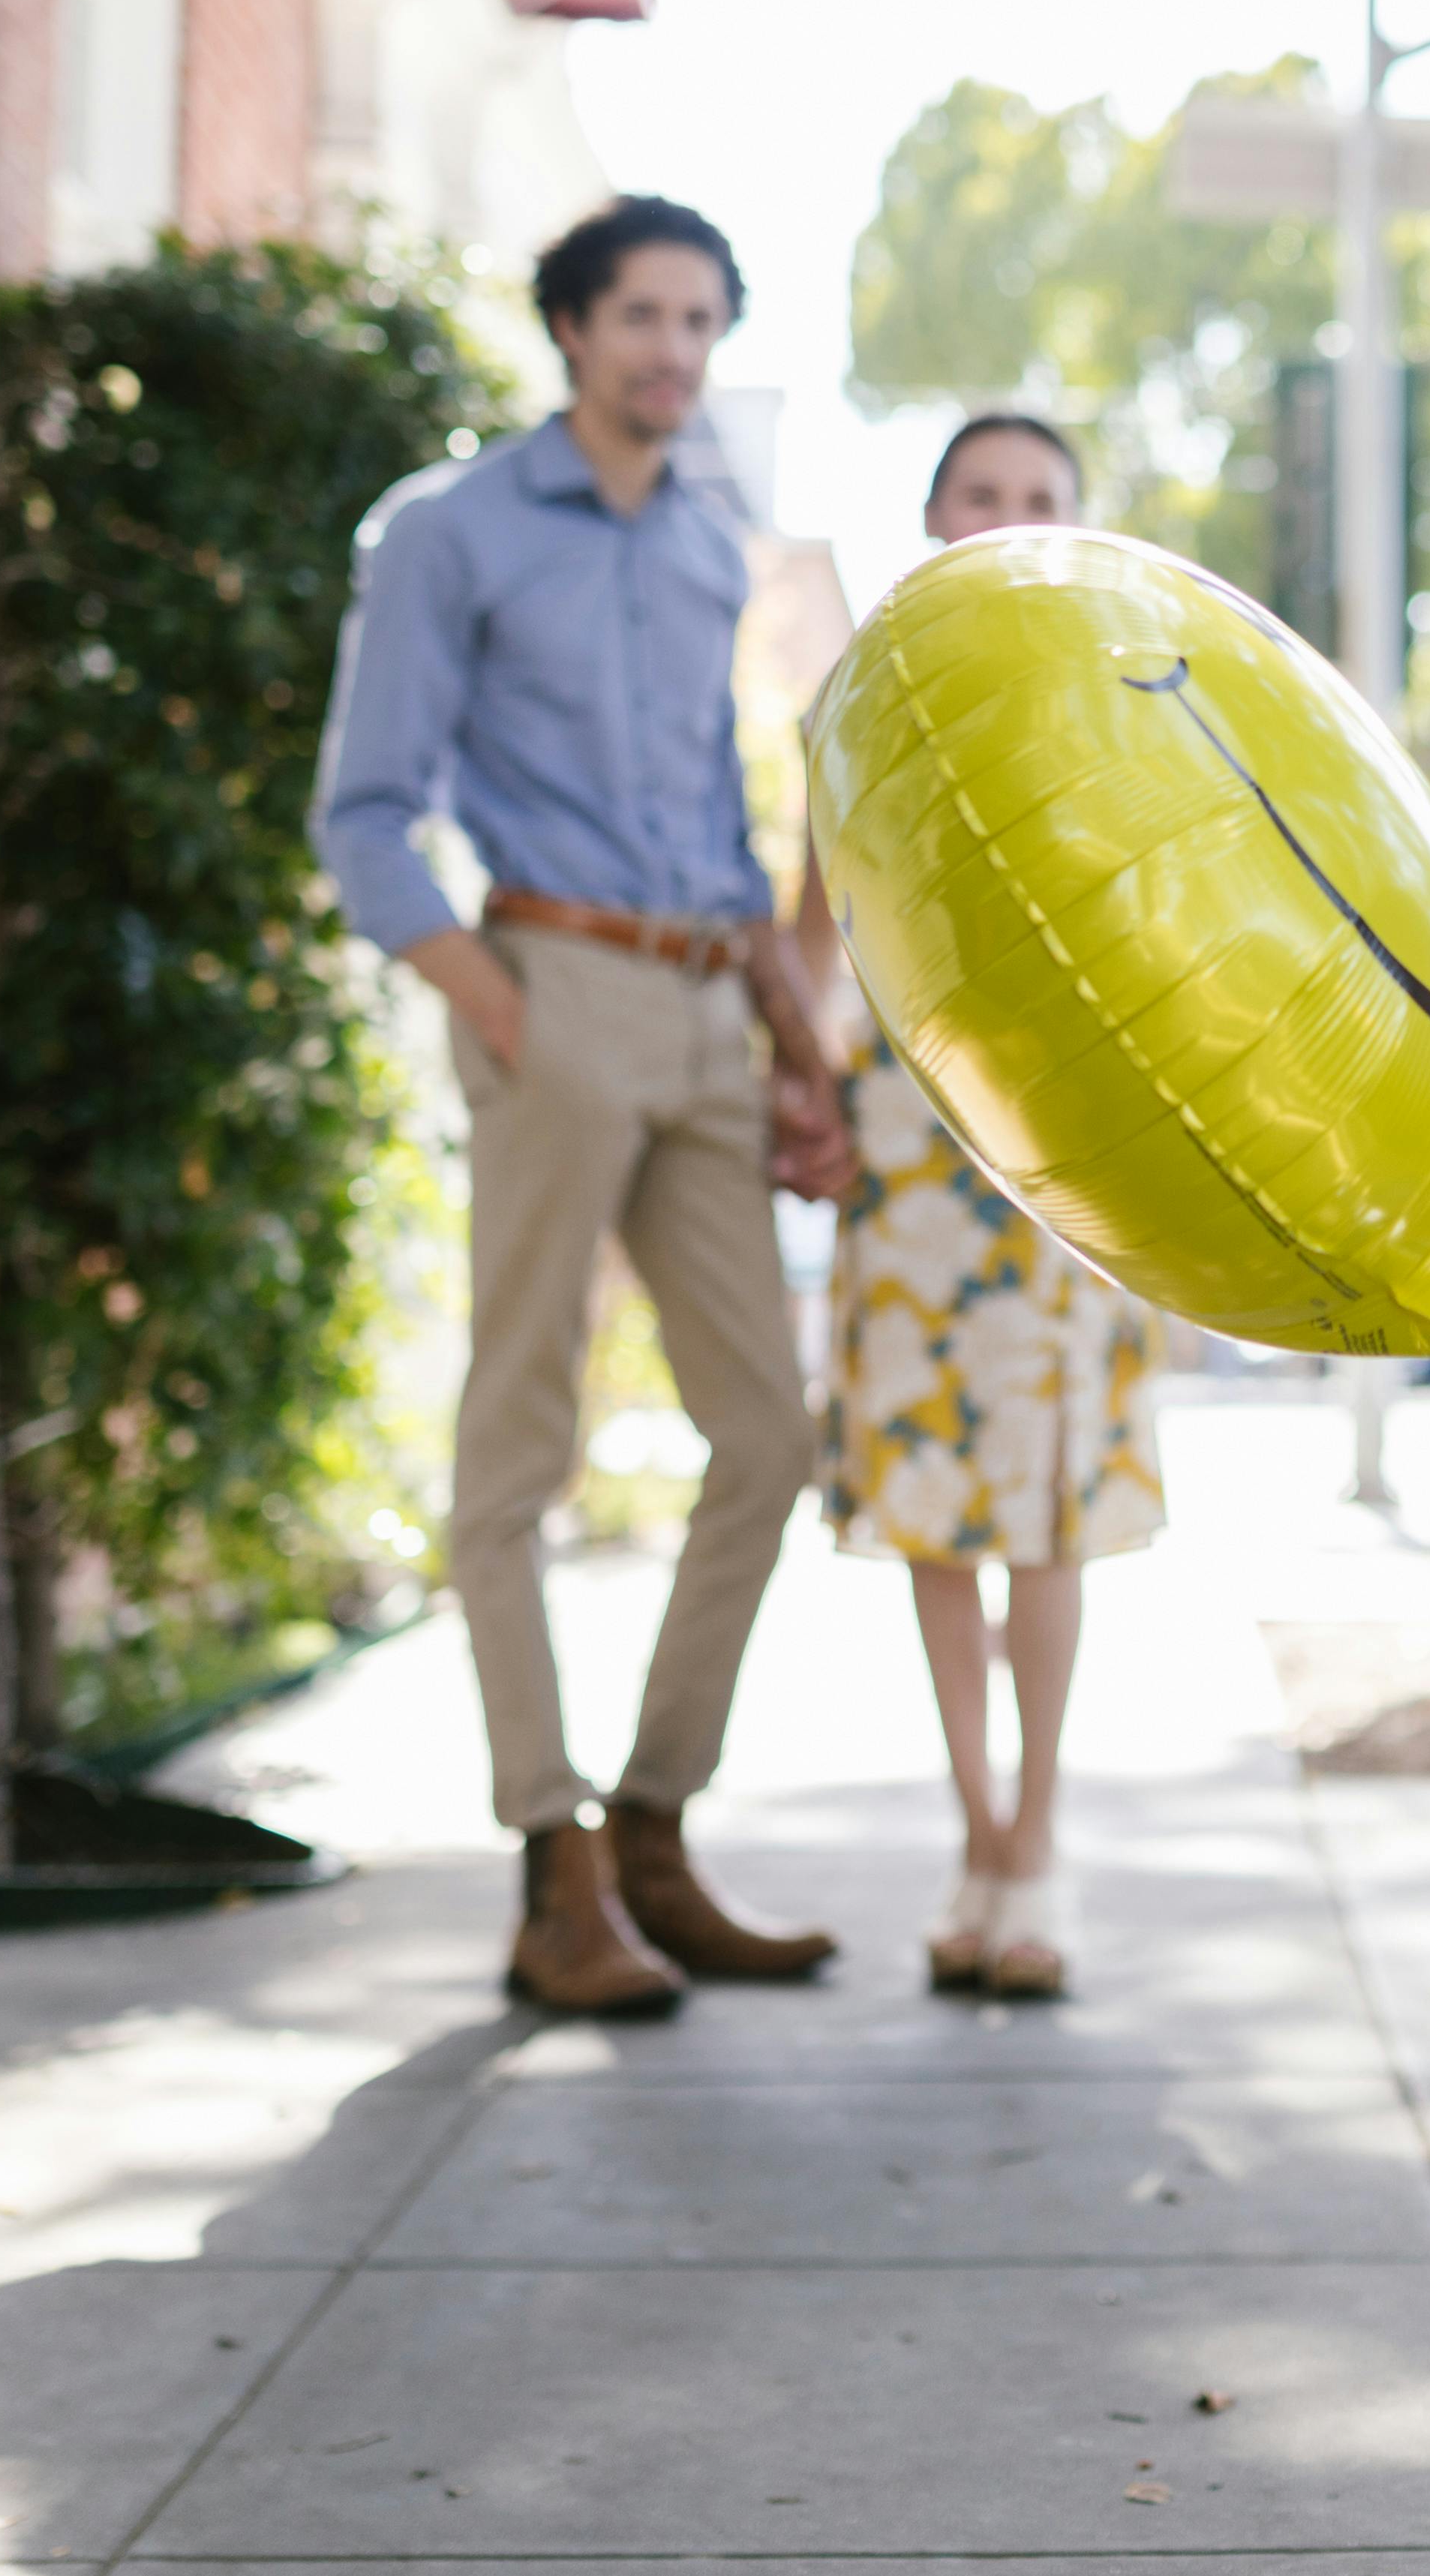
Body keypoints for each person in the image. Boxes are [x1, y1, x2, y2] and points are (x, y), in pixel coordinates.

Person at [311, 192, 858, 2019]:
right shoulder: (449, 534)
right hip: (557, 990)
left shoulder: (706, 543)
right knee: (519, 1446)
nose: (673, 352)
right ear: (569, 327)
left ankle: (652, 1834)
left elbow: (719, 811)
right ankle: (549, 1867)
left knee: (769, 1437)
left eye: (701, 322)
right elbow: (364, 814)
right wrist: (500, 1004)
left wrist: (796, 1053)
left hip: (713, 1006)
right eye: (642, 316)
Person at [796, 411, 1164, 1999]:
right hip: (906, 1139)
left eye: (1040, 497)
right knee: (940, 1512)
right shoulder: (866, 694)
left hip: (1064, 1147)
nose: (1009, 515)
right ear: (937, 514)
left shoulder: (1129, 701)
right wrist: (795, 1083)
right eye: (984, 493)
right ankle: (975, 1836)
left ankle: (1038, 1841)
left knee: (1049, 1512)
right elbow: (810, 918)